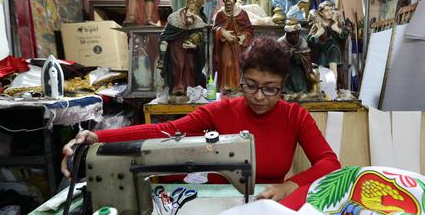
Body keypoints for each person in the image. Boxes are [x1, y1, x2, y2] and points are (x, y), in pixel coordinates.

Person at [61, 37, 341, 202]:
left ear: (283, 86)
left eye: (270, 89)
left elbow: (330, 162)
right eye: (250, 85)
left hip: (269, 203)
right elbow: (166, 131)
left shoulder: (295, 116)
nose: (258, 96)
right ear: (240, 80)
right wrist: (98, 136)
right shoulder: (219, 112)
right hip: (220, 202)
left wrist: (290, 186)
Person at [157, 0, 207, 96]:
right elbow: (165, 35)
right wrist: (164, 45)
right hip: (176, 45)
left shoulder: (197, 22)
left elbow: (202, 41)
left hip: (190, 47)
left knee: (192, 66)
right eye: (191, 11)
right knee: (180, 64)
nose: (192, 14)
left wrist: (195, 46)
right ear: (186, 9)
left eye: (195, 12)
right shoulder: (175, 19)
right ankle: (178, 87)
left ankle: (190, 87)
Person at [212, 0, 254, 93]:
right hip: (225, 45)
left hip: (240, 46)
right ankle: (226, 86)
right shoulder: (220, 14)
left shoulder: (242, 13)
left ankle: (239, 87)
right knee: (227, 62)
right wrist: (222, 32)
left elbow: (249, 30)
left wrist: (243, 37)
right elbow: (215, 28)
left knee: (241, 63)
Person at [307, 1, 349, 86]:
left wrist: (337, 29)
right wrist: (317, 34)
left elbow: (345, 33)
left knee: (334, 69)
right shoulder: (318, 24)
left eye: (330, 10)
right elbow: (309, 41)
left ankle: (334, 88)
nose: (329, 12)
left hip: (334, 49)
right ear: (321, 13)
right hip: (322, 51)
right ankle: (322, 88)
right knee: (321, 72)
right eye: (326, 10)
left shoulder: (335, 23)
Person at [277, 20, 313, 94]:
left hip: (299, 71)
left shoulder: (302, 42)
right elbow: (276, 61)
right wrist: (289, 55)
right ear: (288, 34)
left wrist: (298, 57)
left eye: (297, 34)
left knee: (301, 88)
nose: (296, 36)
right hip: (286, 72)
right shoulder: (280, 42)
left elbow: (307, 61)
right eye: (293, 34)